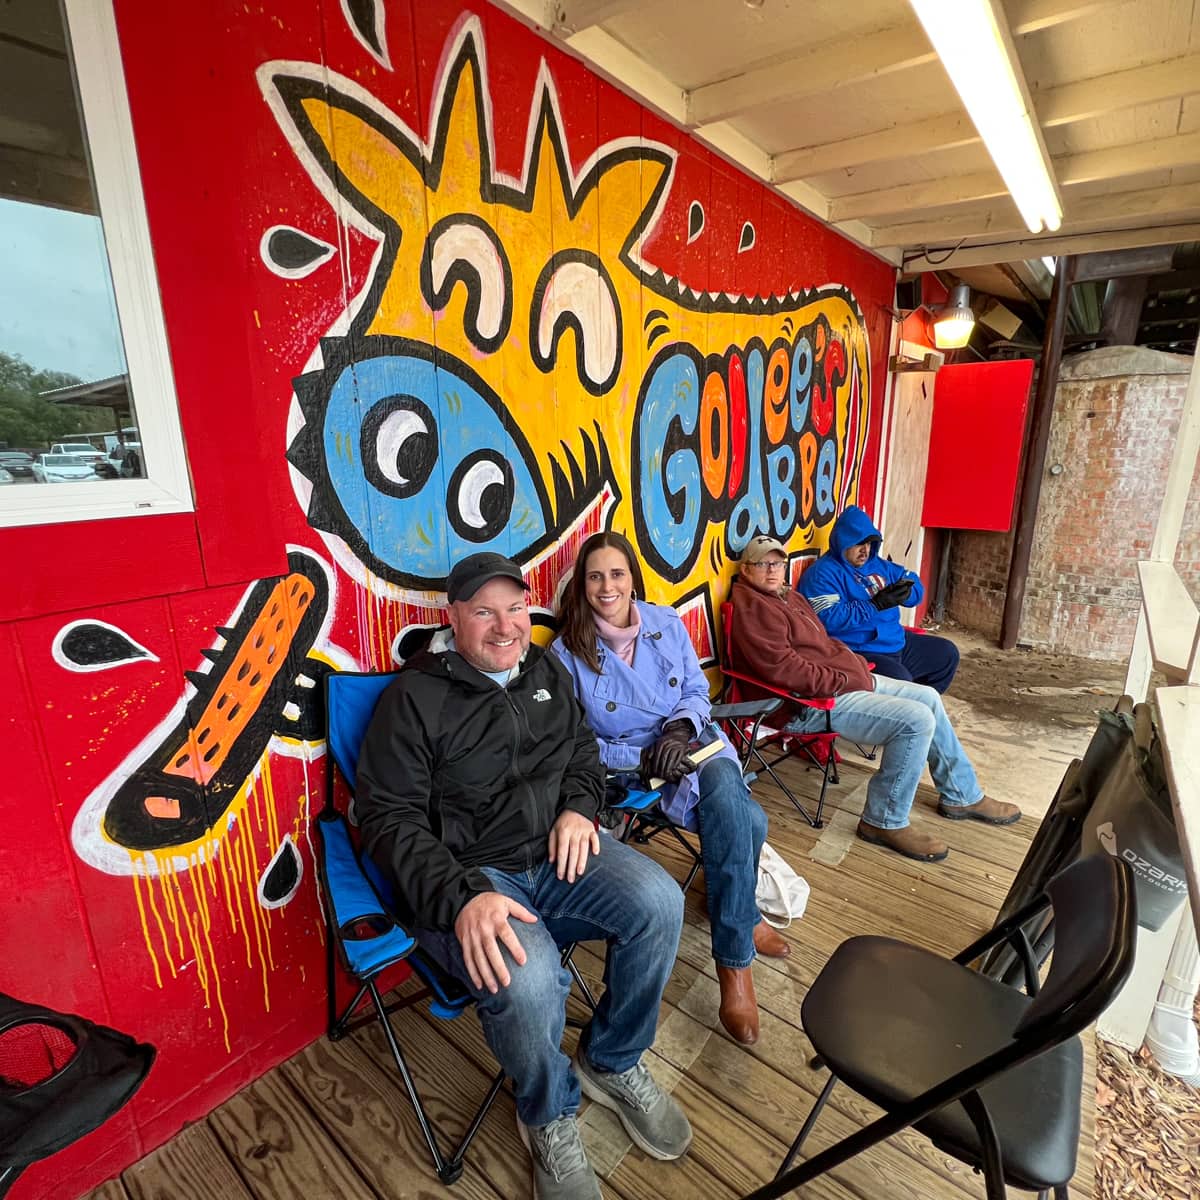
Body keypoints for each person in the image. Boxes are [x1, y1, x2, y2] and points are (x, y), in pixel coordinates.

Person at [356, 552, 691, 1200]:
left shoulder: (543, 670)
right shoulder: (415, 698)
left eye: (514, 607)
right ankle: (548, 1113)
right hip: (471, 878)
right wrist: (460, 898)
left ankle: (611, 1059)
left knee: (660, 900)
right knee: (531, 976)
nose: (505, 625)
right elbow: (387, 819)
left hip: (558, 857)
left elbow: (582, 754)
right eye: (484, 610)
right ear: (453, 617)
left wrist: (578, 807)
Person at [552, 532, 790, 1048]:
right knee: (748, 820)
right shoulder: (567, 652)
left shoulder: (665, 623)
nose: (607, 586)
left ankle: (733, 964)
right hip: (643, 769)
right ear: (583, 585)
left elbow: (695, 690)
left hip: (694, 742)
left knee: (728, 787)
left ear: (632, 577)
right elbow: (578, 743)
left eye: (617, 574)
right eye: (595, 576)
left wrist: (681, 727)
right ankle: (739, 933)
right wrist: (641, 755)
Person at [729, 535, 1020, 863]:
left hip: (841, 682)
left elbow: (824, 643)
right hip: (805, 703)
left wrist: (850, 664)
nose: (773, 570)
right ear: (746, 569)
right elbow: (785, 670)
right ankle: (884, 820)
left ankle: (960, 794)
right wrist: (843, 678)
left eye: (778, 563)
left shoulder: (789, 596)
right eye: (763, 564)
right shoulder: (752, 608)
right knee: (915, 720)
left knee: (927, 698)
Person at [798, 505, 959, 693]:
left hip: (894, 641)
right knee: (903, 684)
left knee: (946, 654)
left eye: (869, 543)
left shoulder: (879, 565)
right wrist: (874, 605)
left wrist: (907, 593)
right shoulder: (822, 574)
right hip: (858, 649)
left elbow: (912, 580)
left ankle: (924, 707)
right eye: (859, 544)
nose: (865, 550)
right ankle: (907, 710)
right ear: (843, 542)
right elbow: (829, 619)